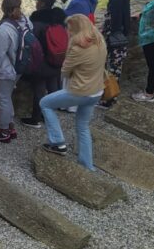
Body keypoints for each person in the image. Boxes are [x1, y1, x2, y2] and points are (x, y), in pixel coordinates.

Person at [39, 14, 107, 170]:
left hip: (80, 91)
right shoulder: (100, 41)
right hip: (97, 91)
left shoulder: (77, 49)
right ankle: (87, 165)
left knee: (45, 103)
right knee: (83, 127)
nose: (68, 32)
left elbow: (65, 71)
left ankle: (57, 142)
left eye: (69, 29)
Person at [0, 0, 32, 143]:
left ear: (3, 8)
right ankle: (10, 127)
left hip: (5, 71)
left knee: (3, 99)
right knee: (7, 97)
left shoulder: (4, 30)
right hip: (19, 67)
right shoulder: (26, 21)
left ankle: (4, 131)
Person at [23, 0, 68, 127]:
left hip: (42, 62)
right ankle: (49, 116)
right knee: (53, 86)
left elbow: (31, 42)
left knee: (39, 89)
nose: (36, 2)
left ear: (42, 3)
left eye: (37, 0)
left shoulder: (36, 21)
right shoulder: (59, 19)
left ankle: (36, 119)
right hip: (57, 58)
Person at [99, 0, 132, 108]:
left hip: (115, 40)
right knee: (114, 70)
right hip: (119, 38)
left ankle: (109, 100)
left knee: (112, 71)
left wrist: (107, 34)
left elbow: (114, 21)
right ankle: (109, 98)